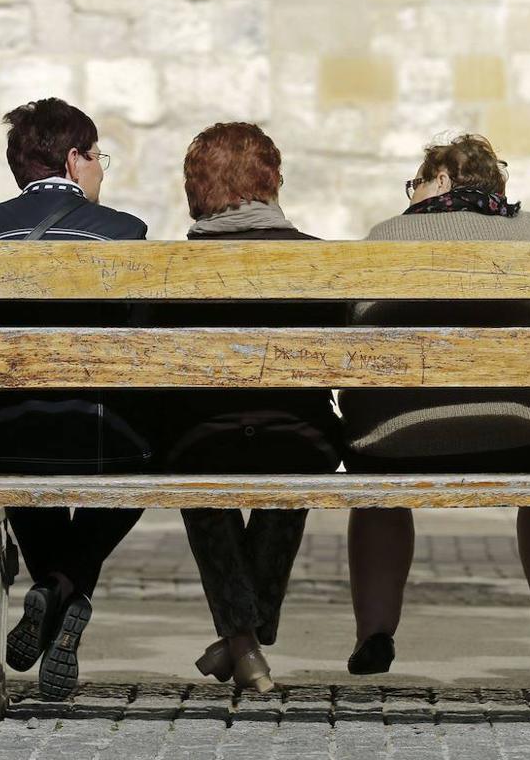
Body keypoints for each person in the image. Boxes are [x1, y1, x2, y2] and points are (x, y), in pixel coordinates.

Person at [340, 134, 530, 679]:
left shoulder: (386, 236)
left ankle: (375, 634)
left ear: (443, 181)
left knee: (377, 492)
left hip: (396, 440)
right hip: (529, 435)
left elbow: (355, 328)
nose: (412, 193)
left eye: (418, 182)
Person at [0, 98, 149, 701]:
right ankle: (64, 588)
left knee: (21, 455)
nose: (101, 171)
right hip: (99, 430)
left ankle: (51, 588)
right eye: (98, 159)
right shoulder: (123, 232)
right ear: (74, 158)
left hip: (3, 432)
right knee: (141, 461)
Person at [150, 122, 344, 693]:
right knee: (294, 463)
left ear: (197, 189)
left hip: (200, 438)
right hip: (300, 437)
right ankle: (247, 638)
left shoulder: (165, 271)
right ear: (273, 180)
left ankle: (241, 641)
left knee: (198, 470)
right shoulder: (322, 264)